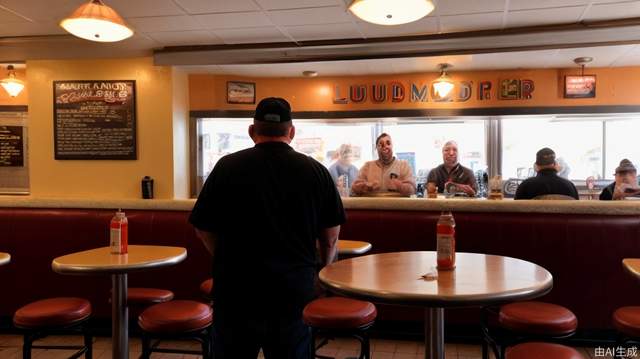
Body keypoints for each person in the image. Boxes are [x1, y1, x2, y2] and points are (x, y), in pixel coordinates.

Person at [189, 97, 346, 359]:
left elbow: (203, 228)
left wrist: (225, 259)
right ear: (291, 132)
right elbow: (330, 239)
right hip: (293, 290)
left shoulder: (226, 167)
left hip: (236, 289)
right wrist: (320, 275)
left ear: (252, 131)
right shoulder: (316, 171)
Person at [351, 133, 416, 196]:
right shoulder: (367, 166)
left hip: (397, 206)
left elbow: (412, 190)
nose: (385, 147)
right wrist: (365, 187)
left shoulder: (403, 165)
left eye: (388, 143)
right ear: (376, 148)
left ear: (392, 146)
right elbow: (354, 188)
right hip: (372, 206)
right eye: (381, 144)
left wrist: (399, 185)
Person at [514, 147, 579, 200]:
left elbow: (516, 211)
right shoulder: (570, 186)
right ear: (555, 164)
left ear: (536, 166)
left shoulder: (525, 186)